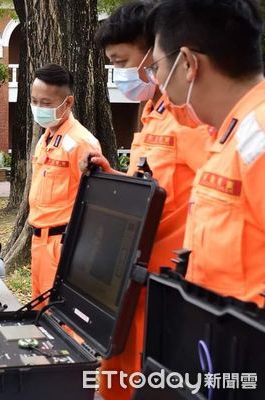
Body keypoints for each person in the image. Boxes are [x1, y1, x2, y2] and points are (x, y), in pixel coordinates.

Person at [89, 2, 212, 398]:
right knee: (117, 376)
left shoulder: (188, 114)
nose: (120, 73)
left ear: (154, 50)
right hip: (133, 277)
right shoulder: (154, 107)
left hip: (165, 284)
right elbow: (154, 182)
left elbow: (208, 191)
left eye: (122, 61)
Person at [144, 0, 265, 307]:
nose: (156, 81)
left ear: (187, 63)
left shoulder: (258, 138)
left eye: (156, 67)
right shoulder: (228, 132)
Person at [28, 64, 102, 301]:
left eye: (46, 103)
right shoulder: (46, 138)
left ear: (67, 103)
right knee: (39, 314)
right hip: (39, 243)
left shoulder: (82, 142)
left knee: (59, 321)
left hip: (62, 245)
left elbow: (95, 203)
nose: (38, 108)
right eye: (34, 100)